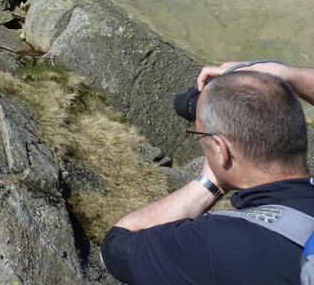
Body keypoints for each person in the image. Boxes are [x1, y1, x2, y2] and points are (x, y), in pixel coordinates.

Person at [100, 61, 314, 284]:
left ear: (222, 151)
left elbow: (115, 247)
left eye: (200, 135)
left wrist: (209, 183)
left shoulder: (214, 242)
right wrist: (282, 73)